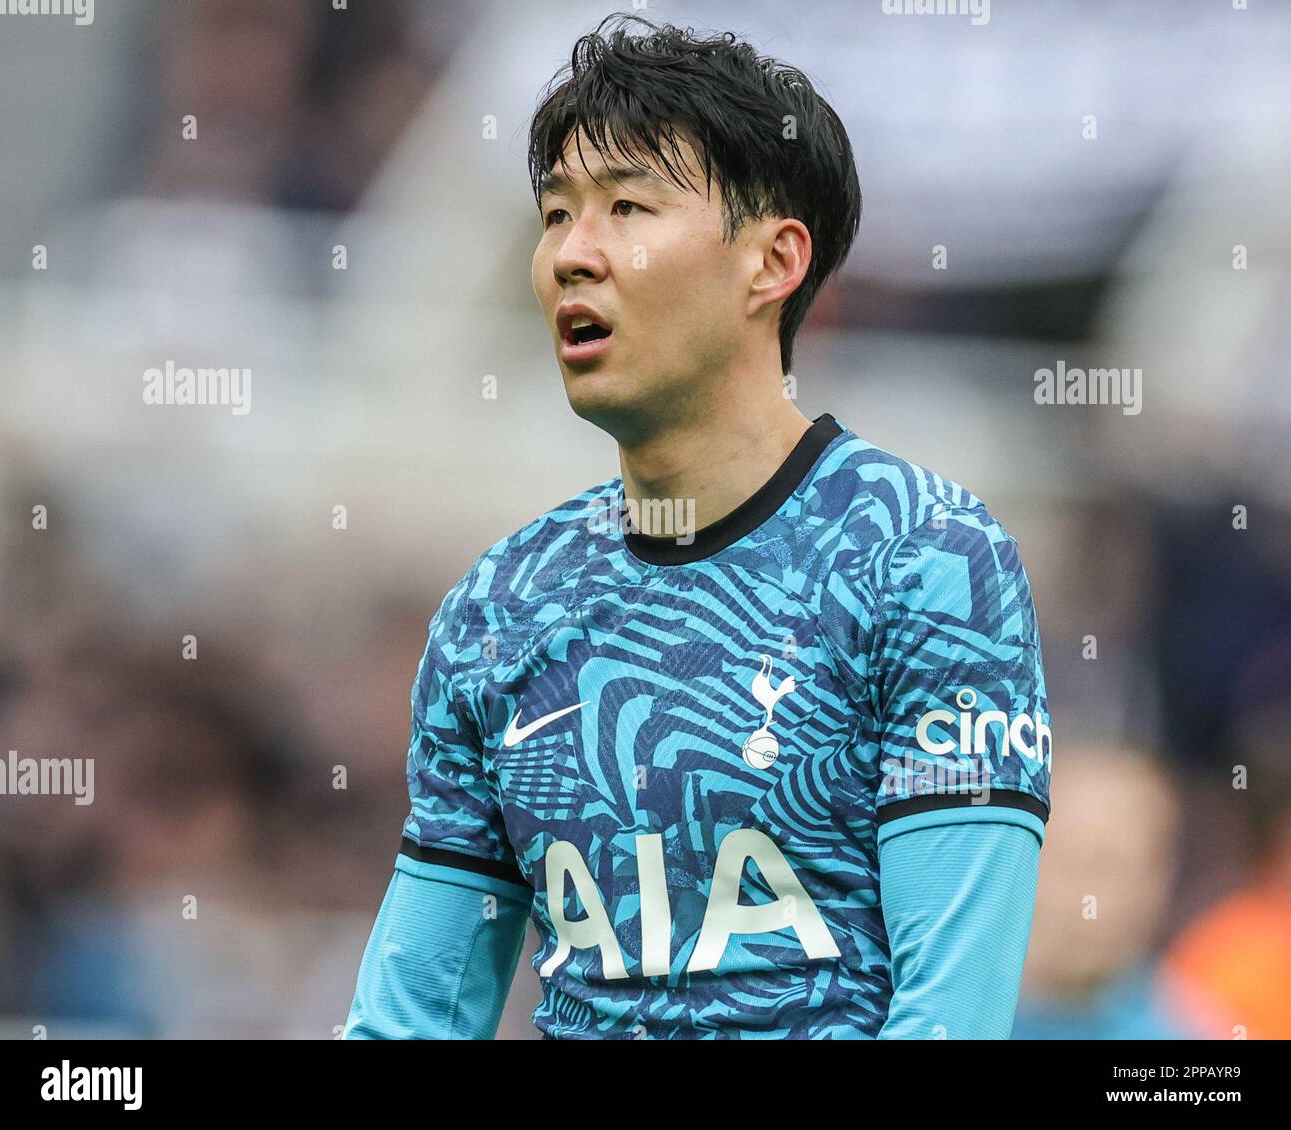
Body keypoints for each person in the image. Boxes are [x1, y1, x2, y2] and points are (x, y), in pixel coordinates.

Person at [345, 13, 1051, 1040]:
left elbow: (950, 1018)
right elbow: (406, 1020)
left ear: (772, 261)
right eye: (554, 214)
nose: (571, 256)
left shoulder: (927, 559)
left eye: (627, 206)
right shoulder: (498, 608)